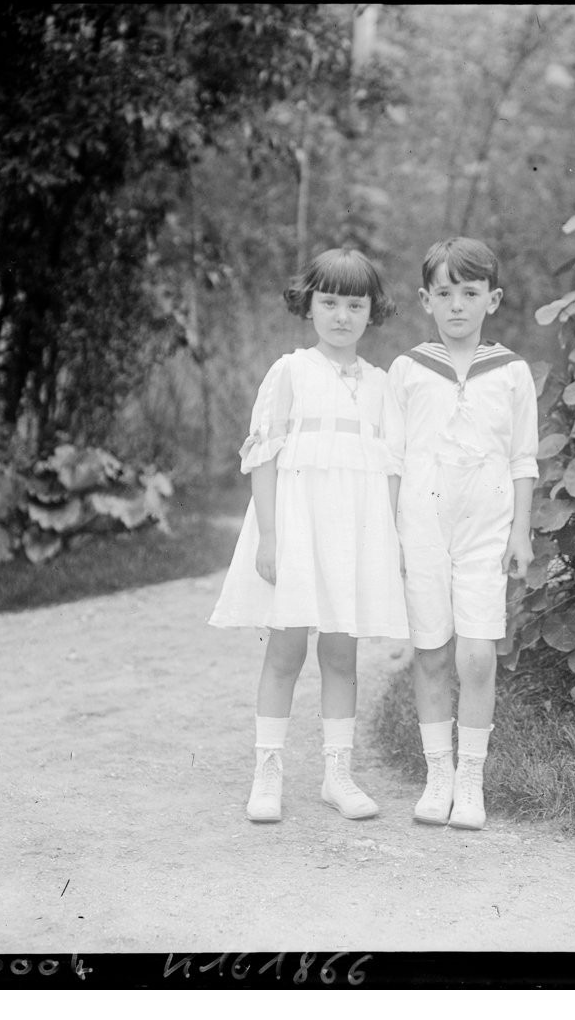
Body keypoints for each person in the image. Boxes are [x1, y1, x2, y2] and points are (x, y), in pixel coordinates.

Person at [210, 247, 409, 823]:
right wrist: (270, 537)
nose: (342, 316)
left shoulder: (380, 385)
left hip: (353, 534)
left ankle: (337, 774)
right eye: (330, 302)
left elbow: (390, 472)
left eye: (355, 305)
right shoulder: (291, 371)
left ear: (372, 310)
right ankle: (267, 772)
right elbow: (264, 459)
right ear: (309, 304)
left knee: (342, 653)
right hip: (298, 527)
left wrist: (388, 544)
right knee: (286, 649)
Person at [385, 237, 538, 830]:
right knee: (431, 652)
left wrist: (520, 532)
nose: (457, 305)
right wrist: (392, 534)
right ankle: (438, 775)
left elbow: (522, 459)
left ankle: (471, 780)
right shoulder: (408, 369)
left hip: (486, 528)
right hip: (422, 525)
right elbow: (394, 459)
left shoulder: (511, 372)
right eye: (444, 293)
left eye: (470, 293)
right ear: (426, 300)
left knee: (476, 656)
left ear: (492, 300)